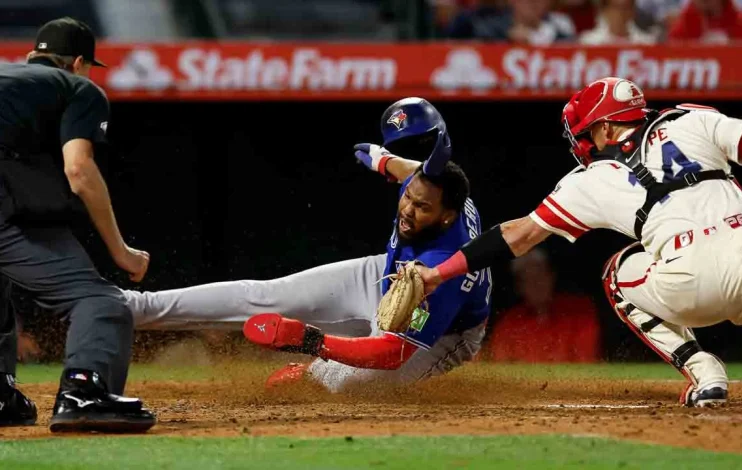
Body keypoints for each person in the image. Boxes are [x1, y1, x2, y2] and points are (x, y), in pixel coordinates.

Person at [415, 76, 742, 407]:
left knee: (617, 275)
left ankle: (704, 372)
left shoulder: (591, 178)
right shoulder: (691, 119)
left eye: (588, 132)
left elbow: (517, 235)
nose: (585, 142)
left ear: (606, 126)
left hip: (689, 283)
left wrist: (438, 273)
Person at [123, 98, 493, 393]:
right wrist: (384, 161)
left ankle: (313, 374)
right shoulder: (433, 185)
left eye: (422, 207)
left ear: (447, 216)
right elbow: (411, 171)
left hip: (440, 330)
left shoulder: (444, 268)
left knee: (336, 388)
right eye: (408, 196)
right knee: (265, 295)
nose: (409, 209)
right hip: (385, 273)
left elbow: (392, 353)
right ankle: (134, 307)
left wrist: (312, 341)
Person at [0, 17, 155, 432]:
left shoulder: (11, 81)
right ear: (79, 63)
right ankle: (84, 393)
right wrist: (121, 251)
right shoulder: (77, 87)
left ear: (32, 55)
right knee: (100, 301)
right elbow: (79, 170)